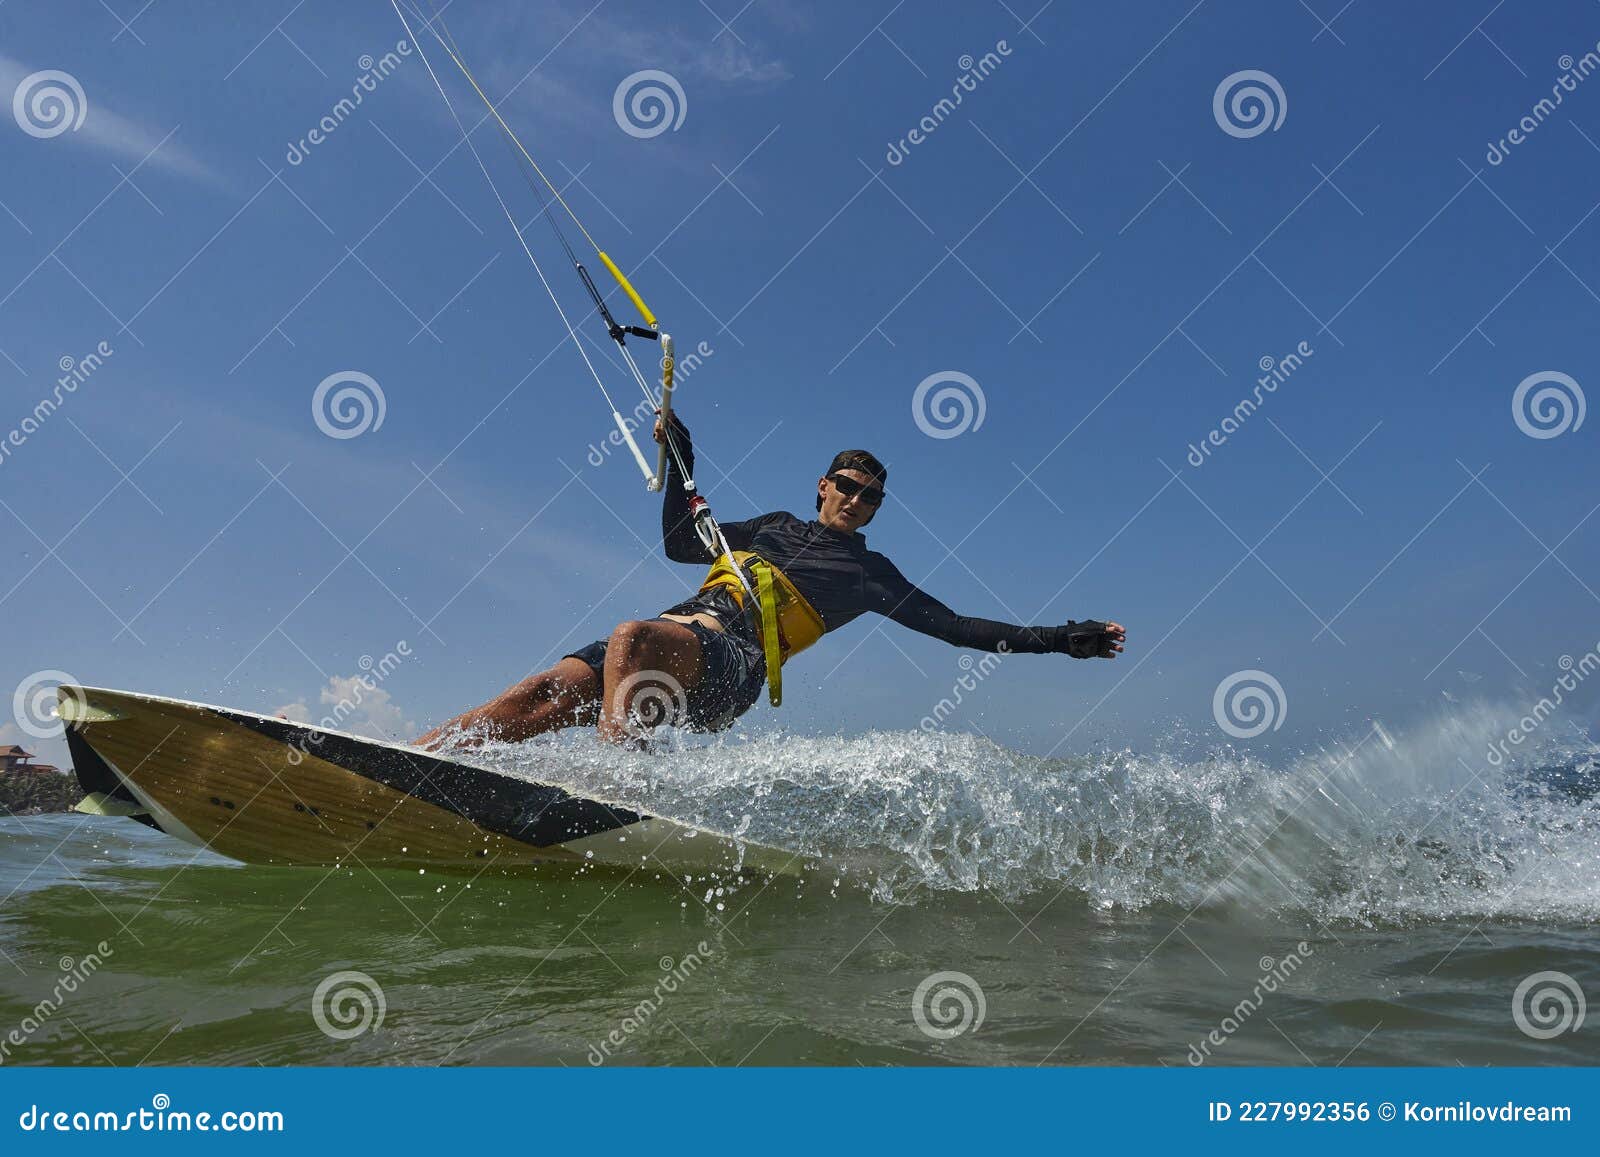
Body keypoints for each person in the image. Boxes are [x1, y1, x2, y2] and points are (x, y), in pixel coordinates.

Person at [417, 413, 1125, 748]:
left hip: (731, 671)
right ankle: (414, 761)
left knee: (630, 635)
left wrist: (1068, 639)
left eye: (871, 496)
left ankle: (612, 785)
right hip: (677, 641)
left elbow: (961, 629)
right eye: (847, 486)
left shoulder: (868, 574)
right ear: (824, 485)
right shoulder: (779, 526)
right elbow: (678, 543)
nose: (856, 500)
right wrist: (681, 458)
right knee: (540, 695)